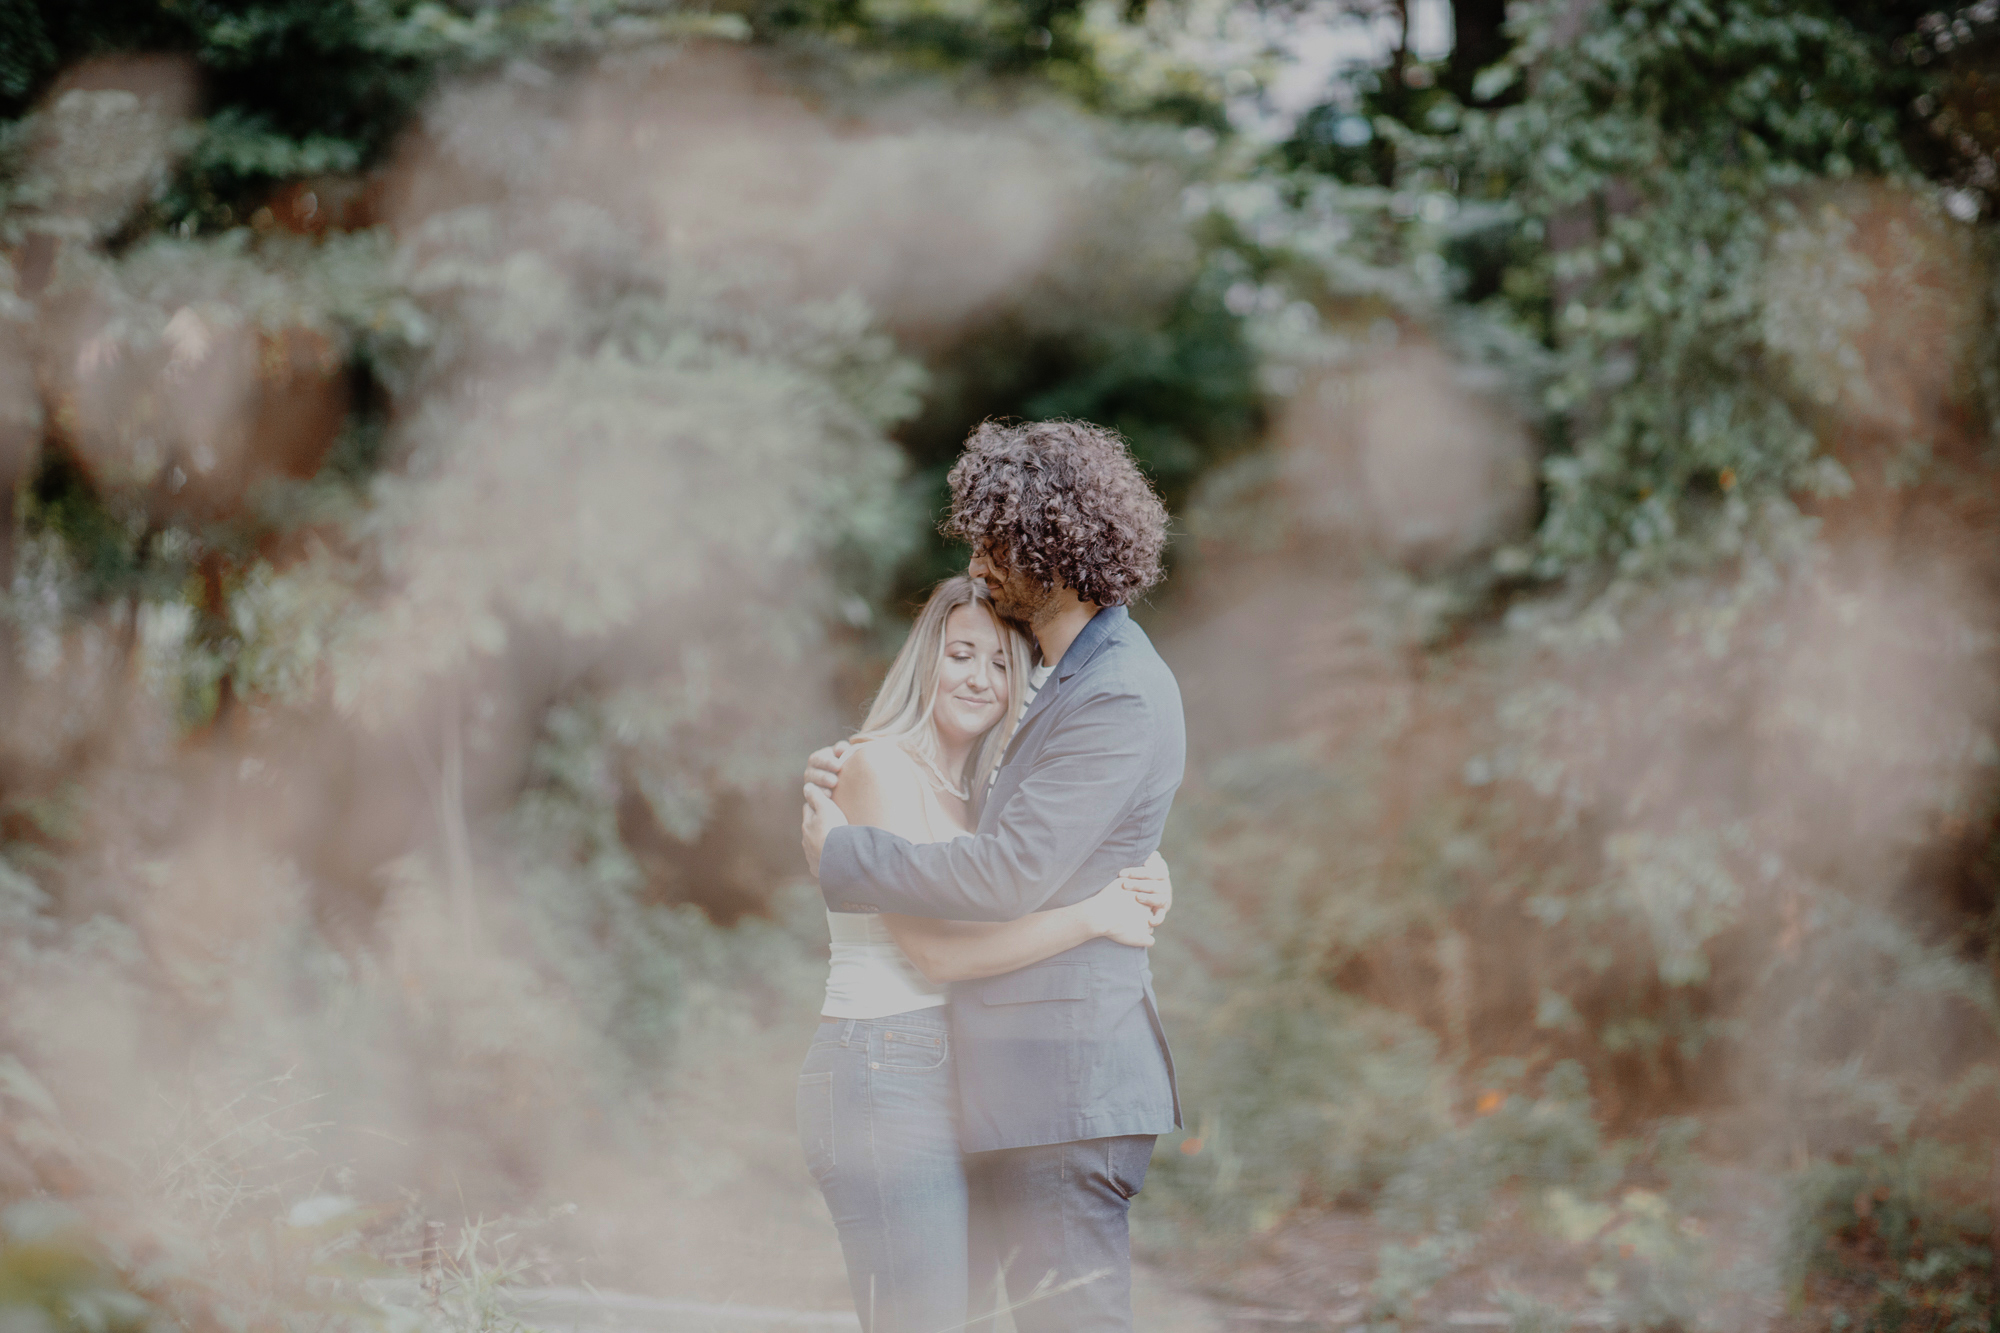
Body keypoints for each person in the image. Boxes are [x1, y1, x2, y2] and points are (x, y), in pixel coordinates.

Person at [802, 418, 1185, 1333]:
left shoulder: (1116, 687)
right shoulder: (1073, 677)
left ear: (1046, 544)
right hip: (1004, 1085)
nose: (978, 560)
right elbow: (1062, 846)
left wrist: (844, 855)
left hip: (1063, 1088)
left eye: (992, 538)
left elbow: (1011, 870)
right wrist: (1125, 884)